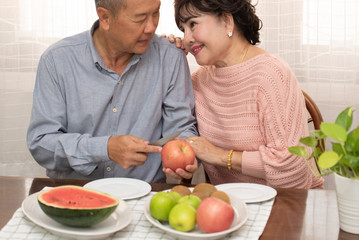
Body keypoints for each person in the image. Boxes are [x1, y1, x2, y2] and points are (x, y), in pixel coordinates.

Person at [26, 0, 198, 183]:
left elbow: (180, 131)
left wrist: (186, 155)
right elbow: (41, 144)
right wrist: (104, 148)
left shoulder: (170, 57)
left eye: (155, 13)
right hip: (75, 195)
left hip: (146, 195)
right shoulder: (57, 60)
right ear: (105, 17)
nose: (151, 27)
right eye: (140, 18)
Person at [171, 0, 324, 188]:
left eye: (193, 24)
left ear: (227, 21)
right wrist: (167, 58)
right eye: (182, 30)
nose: (187, 38)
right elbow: (170, 127)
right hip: (230, 205)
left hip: (288, 202)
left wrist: (220, 155)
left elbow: (292, 166)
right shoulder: (197, 82)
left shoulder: (271, 74)